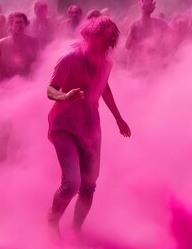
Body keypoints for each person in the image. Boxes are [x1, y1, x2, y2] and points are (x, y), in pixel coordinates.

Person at [46, 16, 131, 237]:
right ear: (91, 36)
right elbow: (50, 91)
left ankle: (76, 230)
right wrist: (65, 96)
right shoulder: (69, 58)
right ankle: (52, 221)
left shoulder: (106, 62)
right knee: (71, 183)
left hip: (91, 127)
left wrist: (118, 118)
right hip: (63, 126)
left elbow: (104, 88)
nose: (110, 41)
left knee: (89, 184)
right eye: (105, 36)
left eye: (113, 37)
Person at [0, 12, 39, 161]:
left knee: (24, 126)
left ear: (26, 24)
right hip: (4, 88)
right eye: (16, 23)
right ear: (10, 26)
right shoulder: (2, 43)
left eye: (22, 23)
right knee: (4, 126)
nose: (19, 26)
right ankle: (2, 158)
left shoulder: (33, 42)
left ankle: (22, 159)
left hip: (25, 88)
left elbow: (40, 63)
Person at [124, 0, 171, 69]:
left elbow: (127, 46)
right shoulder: (160, 23)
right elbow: (173, 41)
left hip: (147, 67)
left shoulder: (135, 25)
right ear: (153, 8)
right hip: (152, 67)